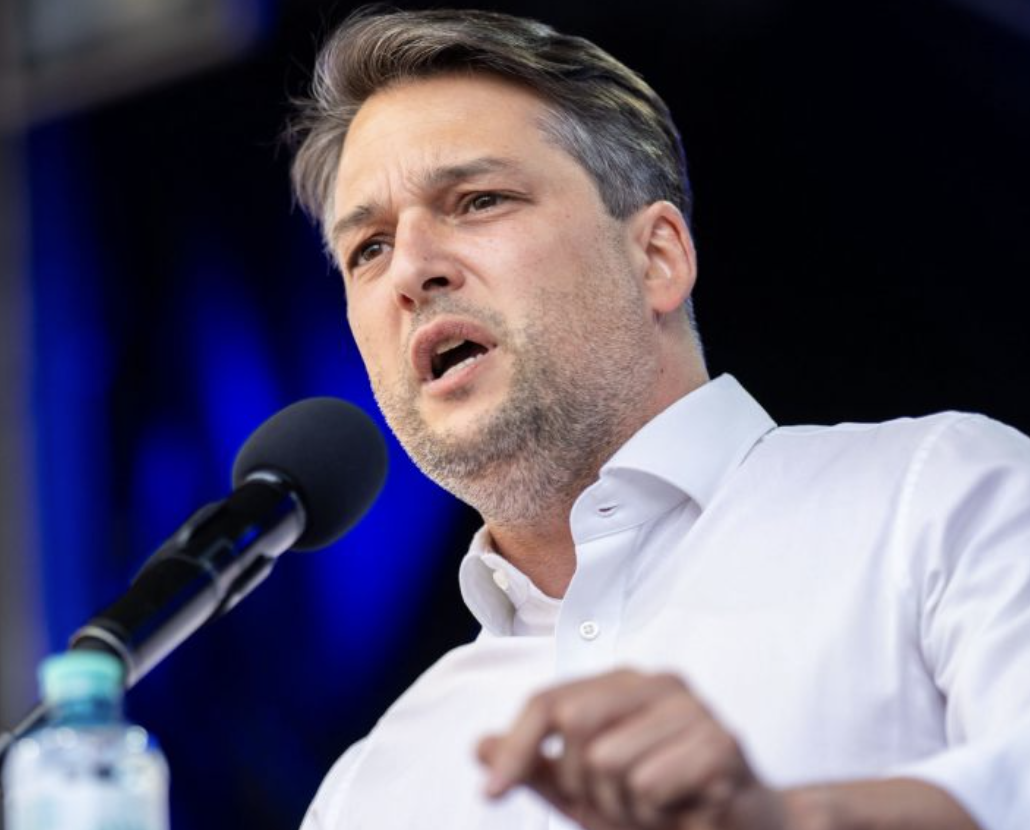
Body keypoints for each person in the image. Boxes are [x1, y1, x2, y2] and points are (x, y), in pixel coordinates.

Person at [288, 7, 1030, 830]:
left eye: (478, 200)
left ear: (657, 257)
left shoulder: (938, 497)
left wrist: (775, 820)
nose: (411, 271)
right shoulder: (369, 791)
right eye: (369, 249)